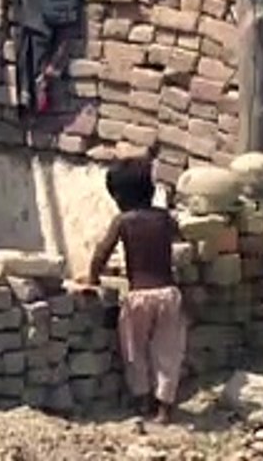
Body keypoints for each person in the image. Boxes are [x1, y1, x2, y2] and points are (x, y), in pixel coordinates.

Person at [86, 157, 186, 424]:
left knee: (134, 350)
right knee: (167, 350)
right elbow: (181, 239)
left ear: (118, 197)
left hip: (138, 296)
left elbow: (101, 253)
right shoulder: (164, 218)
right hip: (168, 293)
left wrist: (92, 278)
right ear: (151, 190)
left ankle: (143, 401)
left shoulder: (123, 221)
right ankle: (165, 408)